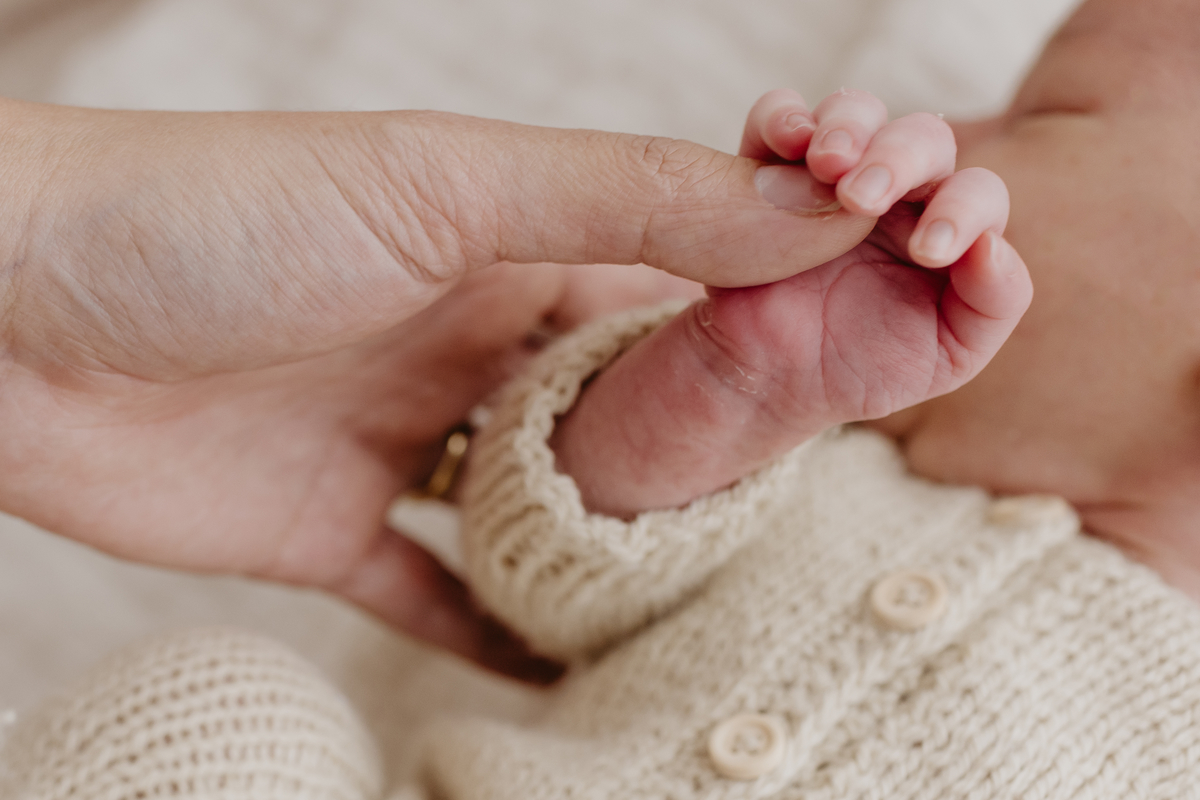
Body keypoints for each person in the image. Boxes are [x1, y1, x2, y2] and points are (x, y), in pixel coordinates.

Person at [5, 0, 1200, 795]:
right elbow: (535, 581)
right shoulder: (823, 458)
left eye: (1045, 116)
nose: (947, 134)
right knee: (223, 709)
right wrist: (740, 378)